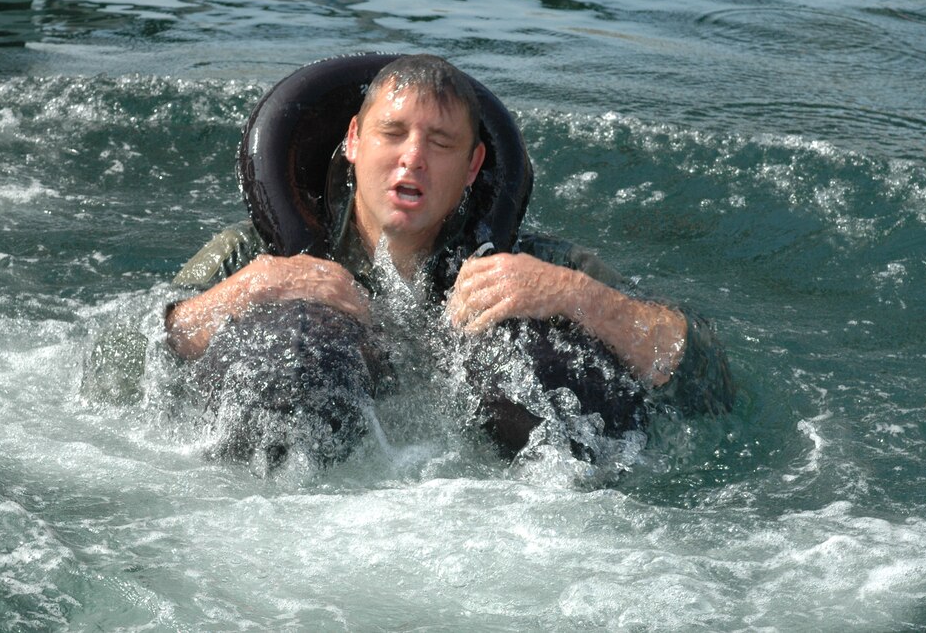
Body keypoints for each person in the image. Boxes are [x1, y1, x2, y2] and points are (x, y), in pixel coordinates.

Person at [165, 53, 732, 468]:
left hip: (490, 520)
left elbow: (707, 378)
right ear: (355, 141)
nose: (412, 159)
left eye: (439, 144)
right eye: (393, 134)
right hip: (279, 510)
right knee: (292, 343)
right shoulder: (253, 256)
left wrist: (577, 297)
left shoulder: (538, 268)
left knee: (536, 351)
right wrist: (240, 294)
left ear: (472, 165)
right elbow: (114, 364)